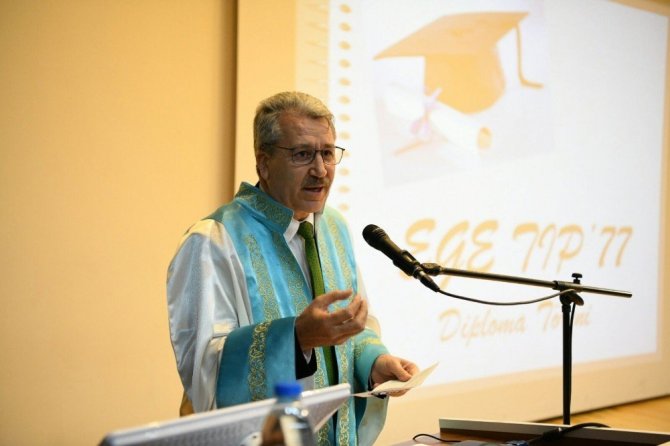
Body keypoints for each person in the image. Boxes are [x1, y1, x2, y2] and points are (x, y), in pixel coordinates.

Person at [167, 91, 418, 445]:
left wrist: (374, 362)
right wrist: (296, 338)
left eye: (327, 153)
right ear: (264, 163)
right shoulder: (213, 241)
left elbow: (350, 331)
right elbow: (204, 371)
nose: (320, 170)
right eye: (302, 154)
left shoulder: (333, 227)